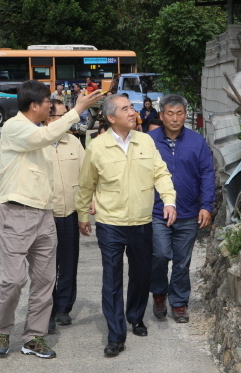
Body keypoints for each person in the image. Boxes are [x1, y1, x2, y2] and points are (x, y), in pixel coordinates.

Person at [0, 80, 102, 359]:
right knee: (14, 280)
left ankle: (34, 337)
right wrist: (76, 110)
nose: (50, 109)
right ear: (34, 106)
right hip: (16, 212)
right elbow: (43, 137)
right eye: (47, 105)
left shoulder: (43, 132)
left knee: (44, 280)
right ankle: (3, 328)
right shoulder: (15, 127)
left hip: (45, 214)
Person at [75, 94, 177, 357]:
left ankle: (135, 316)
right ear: (111, 118)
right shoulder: (96, 147)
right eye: (125, 109)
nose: (132, 112)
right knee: (112, 279)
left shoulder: (145, 141)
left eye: (132, 107)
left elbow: (160, 173)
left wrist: (169, 201)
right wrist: (83, 215)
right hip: (110, 223)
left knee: (141, 274)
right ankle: (115, 335)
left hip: (142, 221)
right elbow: (86, 184)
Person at [148, 94, 215, 323]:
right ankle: (158, 293)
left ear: (185, 115)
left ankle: (179, 302)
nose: (175, 118)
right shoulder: (149, 140)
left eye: (179, 113)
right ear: (161, 115)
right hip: (157, 211)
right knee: (159, 255)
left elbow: (207, 174)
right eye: (170, 113)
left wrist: (206, 206)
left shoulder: (197, 142)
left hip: (188, 212)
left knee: (182, 261)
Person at [45, 99, 85, 333]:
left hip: (69, 212)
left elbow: (86, 177)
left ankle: (63, 308)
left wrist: (85, 212)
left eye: (58, 116)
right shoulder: (38, 143)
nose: (54, 120)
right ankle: (46, 310)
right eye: (50, 116)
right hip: (45, 214)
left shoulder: (74, 143)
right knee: (45, 266)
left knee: (68, 262)